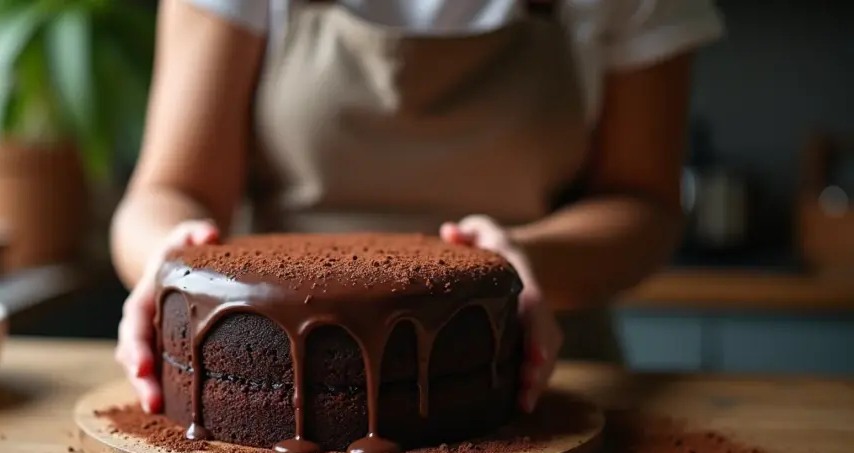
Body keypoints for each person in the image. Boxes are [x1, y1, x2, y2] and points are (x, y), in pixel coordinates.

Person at [111, 0, 725, 416]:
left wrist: (523, 261)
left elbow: (643, 201)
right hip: (276, 354)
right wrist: (171, 259)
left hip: (538, 376)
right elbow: (166, 191)